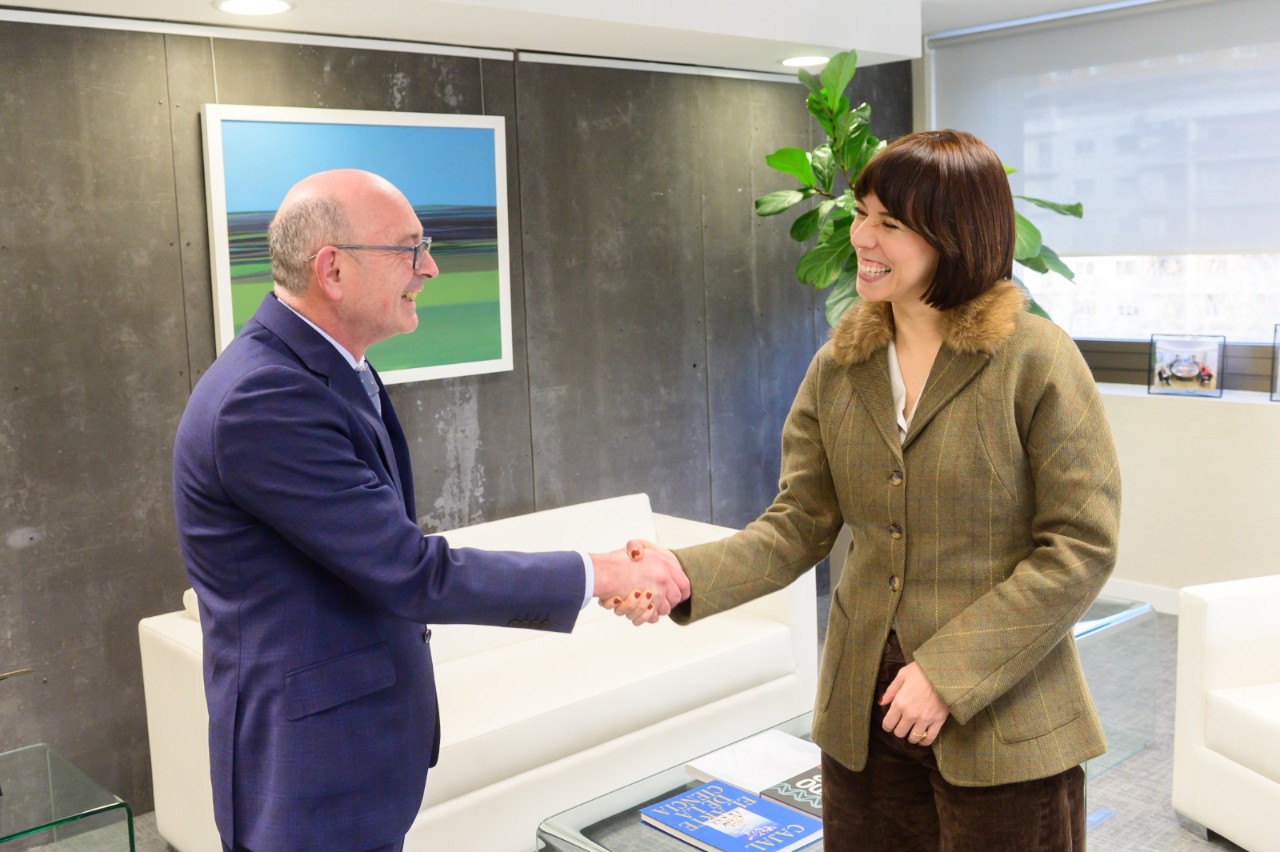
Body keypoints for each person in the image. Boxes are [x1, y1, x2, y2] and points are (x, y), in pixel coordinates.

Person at [610, 130, 1121, 850]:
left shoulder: (1036, 360)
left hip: (1003, 716)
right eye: (860, 214)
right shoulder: (839, 366)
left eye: (890, 222)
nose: (861, 238)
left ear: (955, 234)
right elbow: (798, 522)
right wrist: (679, 574)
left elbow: (1080, 546)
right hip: (863, 714)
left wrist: (946, 673)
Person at [172, 168, 687, 852]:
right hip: (308, 774)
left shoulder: (332, 368)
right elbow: (413, 572)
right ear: (333, 270)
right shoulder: (264, 400)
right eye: (409, 250)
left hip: (354, 755)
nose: (431, 268)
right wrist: (604, 574)